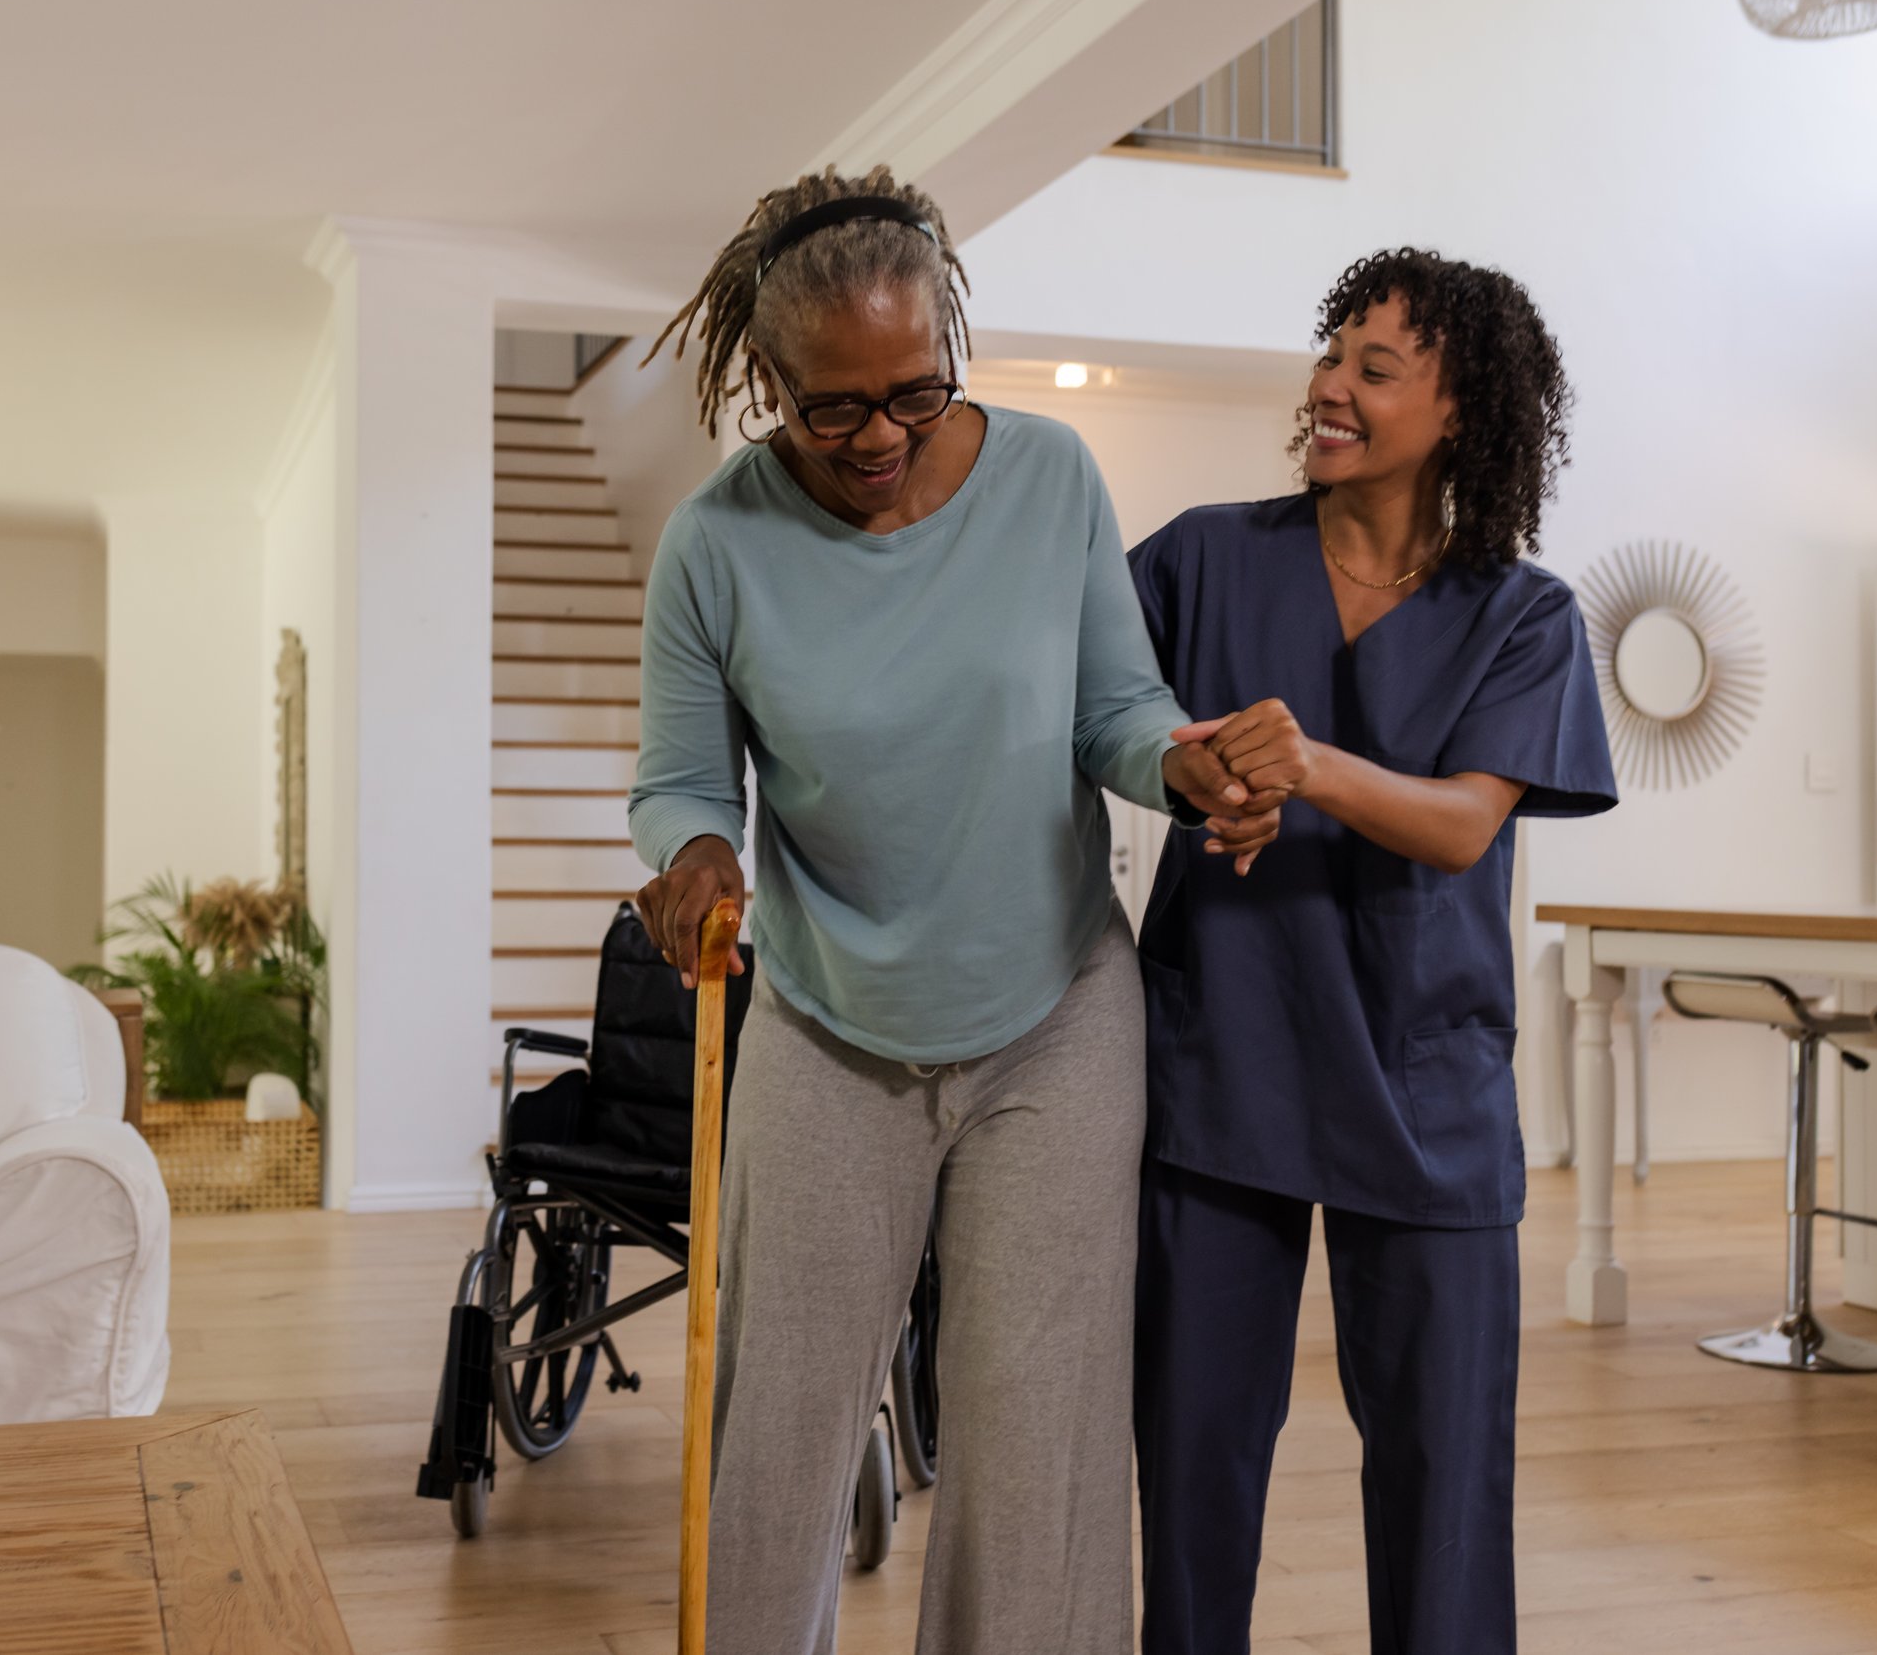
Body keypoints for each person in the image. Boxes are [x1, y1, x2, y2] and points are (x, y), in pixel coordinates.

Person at [628, 166, 1269, 1655]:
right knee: (775, 1424)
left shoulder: (1049, 481)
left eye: (915, 392)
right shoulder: (715, 546)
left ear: (947, 343)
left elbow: (1116, 711)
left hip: (1054, 1023)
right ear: (764, 381)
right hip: (824, 1024)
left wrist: (1186, 767)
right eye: (832, 406)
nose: (879, 438)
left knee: (1034, 1441)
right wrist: (699, 858)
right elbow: (678, 780)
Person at [1127, 249, 1618, 1655]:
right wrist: (1198, 767)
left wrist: (1311, 765)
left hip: (1427, 1083)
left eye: (1375, 367)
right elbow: (1091, 706)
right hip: (1226, 1064)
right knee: (1193, 1458)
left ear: (1460, 408)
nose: (1330, 385)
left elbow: (1466, 824)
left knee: (1446, 1479)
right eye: (1332, 354)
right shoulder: (1205, 555)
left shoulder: (1524, 616)